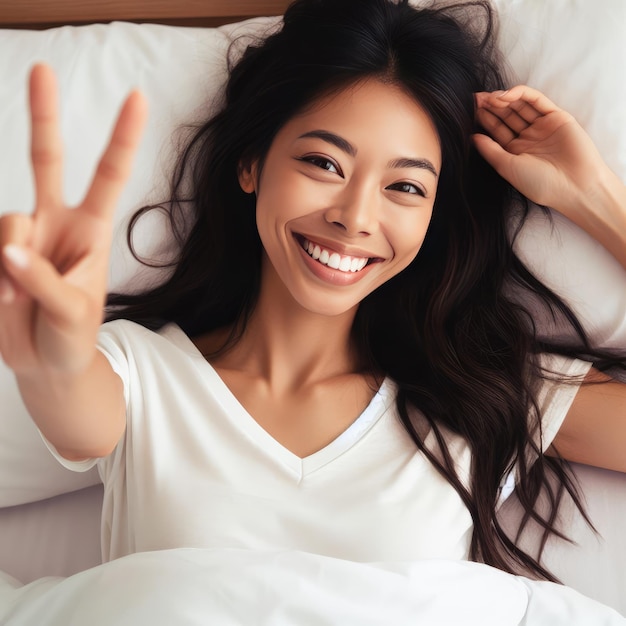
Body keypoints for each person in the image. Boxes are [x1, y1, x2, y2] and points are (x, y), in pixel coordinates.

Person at [0, 0, 624, 583]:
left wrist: (596, 199)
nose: (354, 217)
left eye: (404, 187)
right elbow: (74, 409)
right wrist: (49, 351)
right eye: (324, 164)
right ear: (251, 163)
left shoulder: (480, 397)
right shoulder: (142, 374)